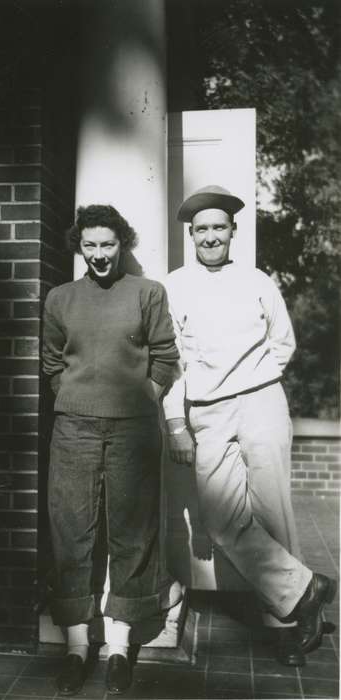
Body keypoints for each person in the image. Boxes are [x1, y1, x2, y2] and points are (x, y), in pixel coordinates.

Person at [162, 185, 337, 667]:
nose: (211, 237)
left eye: (219, 228)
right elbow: (171, 363)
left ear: (233, 231)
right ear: (190, 235)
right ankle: (308, 590)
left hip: (261, 402)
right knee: (221, 520)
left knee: (273, 509)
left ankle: (290, 627)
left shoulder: (258, 280)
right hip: (207, 412)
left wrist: (255, 380)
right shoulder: (174, 285)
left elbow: (283, 342)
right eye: (202, 230)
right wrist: (176, 421)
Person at [42, 204, 179, 695]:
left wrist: (146, 396)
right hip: (73, 429)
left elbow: (165, 356)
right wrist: (73, 398)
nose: (99, 255)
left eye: (108, 245)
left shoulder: (147, 293)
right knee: (71, 530)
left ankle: (119, 648)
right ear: (79, 246)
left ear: (123, 244)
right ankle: (77, 648)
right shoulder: (60, 298)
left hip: (133, 432)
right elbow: (52, 361)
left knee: (131, 533)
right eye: (90, 245)